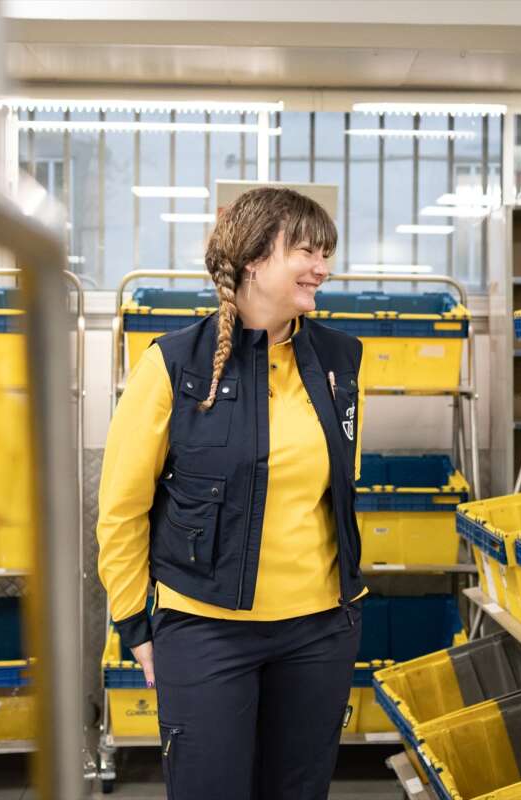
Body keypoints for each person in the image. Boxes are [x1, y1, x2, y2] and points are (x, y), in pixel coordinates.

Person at [96, 187, 367, 799]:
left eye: (325, 252)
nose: (322, 267)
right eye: (306, 250)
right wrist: (136, 624)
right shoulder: (173, 365)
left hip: (320, 629)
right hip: (205, 628)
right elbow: (122, 509)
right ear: (252, 261)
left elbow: (335, 490)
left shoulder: (338, 360)